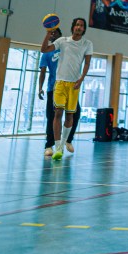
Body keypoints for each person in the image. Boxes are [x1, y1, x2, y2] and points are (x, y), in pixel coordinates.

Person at [40, 17, 93, 162]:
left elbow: (87, 63)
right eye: (77, 25)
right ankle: (57, 147)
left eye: (81, 25)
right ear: (73, 27)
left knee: (70, 116)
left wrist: (81, 79)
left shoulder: (87, 44)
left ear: (84, 29)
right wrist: (47, 34)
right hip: (59, 83)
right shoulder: (62, 41)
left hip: (74, 84)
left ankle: (64, 143)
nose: (79, 27)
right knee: (57, 113)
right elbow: (43, 49)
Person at [38, 27, 81, 158]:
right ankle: (49, 145)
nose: (53, 35)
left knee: (75, 113)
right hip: (53, 88)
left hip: (69, 87)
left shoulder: (66, 48)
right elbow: (42, 72)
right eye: (51, 33)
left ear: (60, 35)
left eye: (55, 32)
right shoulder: (47, 53)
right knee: (52, 116)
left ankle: (68, 140)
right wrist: (40, 88)